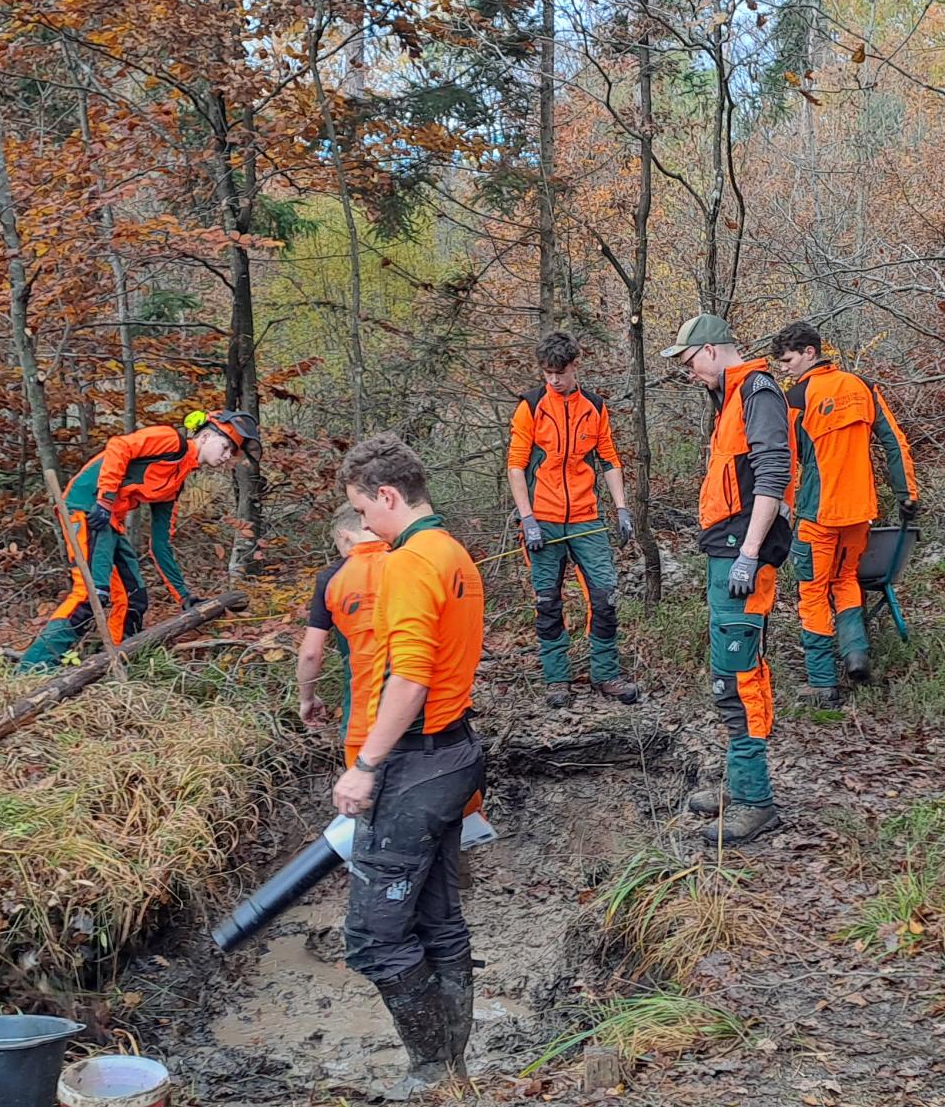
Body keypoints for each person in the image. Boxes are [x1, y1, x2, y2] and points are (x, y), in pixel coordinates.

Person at [333, 433, 488, 1098]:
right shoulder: (454, 553)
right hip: (456, 753)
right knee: (436, 919)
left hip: (415, 761)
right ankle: (451, 1070)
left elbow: (409, 679)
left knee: (374, 936)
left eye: (364, 511)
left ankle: (430, 1070)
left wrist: (366, 764)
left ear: (387, 496)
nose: (363, 525)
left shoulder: (408, 562)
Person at [662, 314, 794, 845]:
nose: (691, 373)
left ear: (712, 351)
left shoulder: (758, 392)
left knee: (739, 672)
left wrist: (749, 552)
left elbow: (774, 475)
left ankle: (755, 800)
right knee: (728, 669)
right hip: (727, 550)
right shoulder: (732, 399)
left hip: (743, 555)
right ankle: (741, 782)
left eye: (691, 362)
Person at [19, 410, 257, 668]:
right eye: (225, 447)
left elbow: (160, 544)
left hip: (108, 519)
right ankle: (33, 666)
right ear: (207, 435)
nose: (226, 457)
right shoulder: (170, 440)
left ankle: (119, 663)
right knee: (92, 594)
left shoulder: (175, 483)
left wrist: (185, 597)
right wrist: (105, 499)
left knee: (133, 597)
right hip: (86, 507)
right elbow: (119, 446)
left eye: (231, 453)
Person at [770, 321, 919, 702]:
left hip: (818, 514)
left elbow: (785, 459)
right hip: (860, 513)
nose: (784, 368)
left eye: (788, 360)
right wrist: (907, 494)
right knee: (846, 580)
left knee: (814, 592)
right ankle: (855, 655)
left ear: (809, 352)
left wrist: (780, 506)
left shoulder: (796, 399)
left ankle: (822, 683)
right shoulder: (863, 387)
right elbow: (894, 441)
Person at [506, 330, 644, 709]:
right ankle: (556, 680)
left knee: (605, 597)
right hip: (543, 521)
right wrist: (528, 519)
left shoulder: (594, 407)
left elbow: (609, 460)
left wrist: (621, 509)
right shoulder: (531, 407)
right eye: (547, 372)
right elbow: (516, 467)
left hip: (586, 519)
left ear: (573, 366)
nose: (553, 379)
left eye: (560, 372)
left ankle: (606, 674)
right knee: (548, 601)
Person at [296, 503, 391, 760]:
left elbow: (311, 655)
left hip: (364, 714)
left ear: (344, 536)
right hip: (427, 712)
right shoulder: (412, 563)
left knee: (363, 791)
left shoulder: (332, 577)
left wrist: (307, 698)